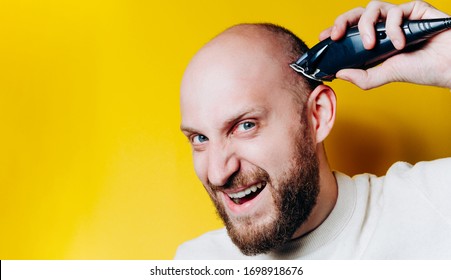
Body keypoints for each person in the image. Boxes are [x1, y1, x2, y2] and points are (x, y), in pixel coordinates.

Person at [176, 0, 451, 259]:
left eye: (245, 126)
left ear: (318, 115)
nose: (217, 173)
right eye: (200, 138)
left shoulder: (434, 204)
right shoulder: (195, 262)